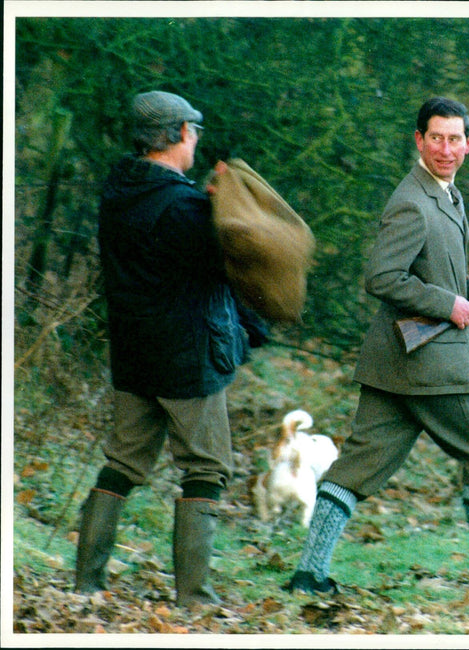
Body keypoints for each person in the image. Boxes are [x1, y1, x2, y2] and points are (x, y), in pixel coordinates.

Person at [288, 97, 469, 596]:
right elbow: (383, 277)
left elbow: (439, 271)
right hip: (429, 363)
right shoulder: (412, 201)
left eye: (455, 139)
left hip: (396, 363)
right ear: (419, 140)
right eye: (436, 137)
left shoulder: (445, 194)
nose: (446, 148)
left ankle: (309, 574)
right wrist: (448, 304)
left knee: (356, 467)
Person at [75, 91, 257, 606]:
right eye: (194, 131)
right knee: (206, 470)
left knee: (125, 464)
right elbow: (222, 271)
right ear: (179, 133)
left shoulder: (119, 192)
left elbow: (165, 244)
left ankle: (86, 583)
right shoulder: (184, 208)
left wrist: (205, 203)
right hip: (188, 361)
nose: (197, 140)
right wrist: (223, 207)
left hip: (134, 358)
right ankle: (195, 599)